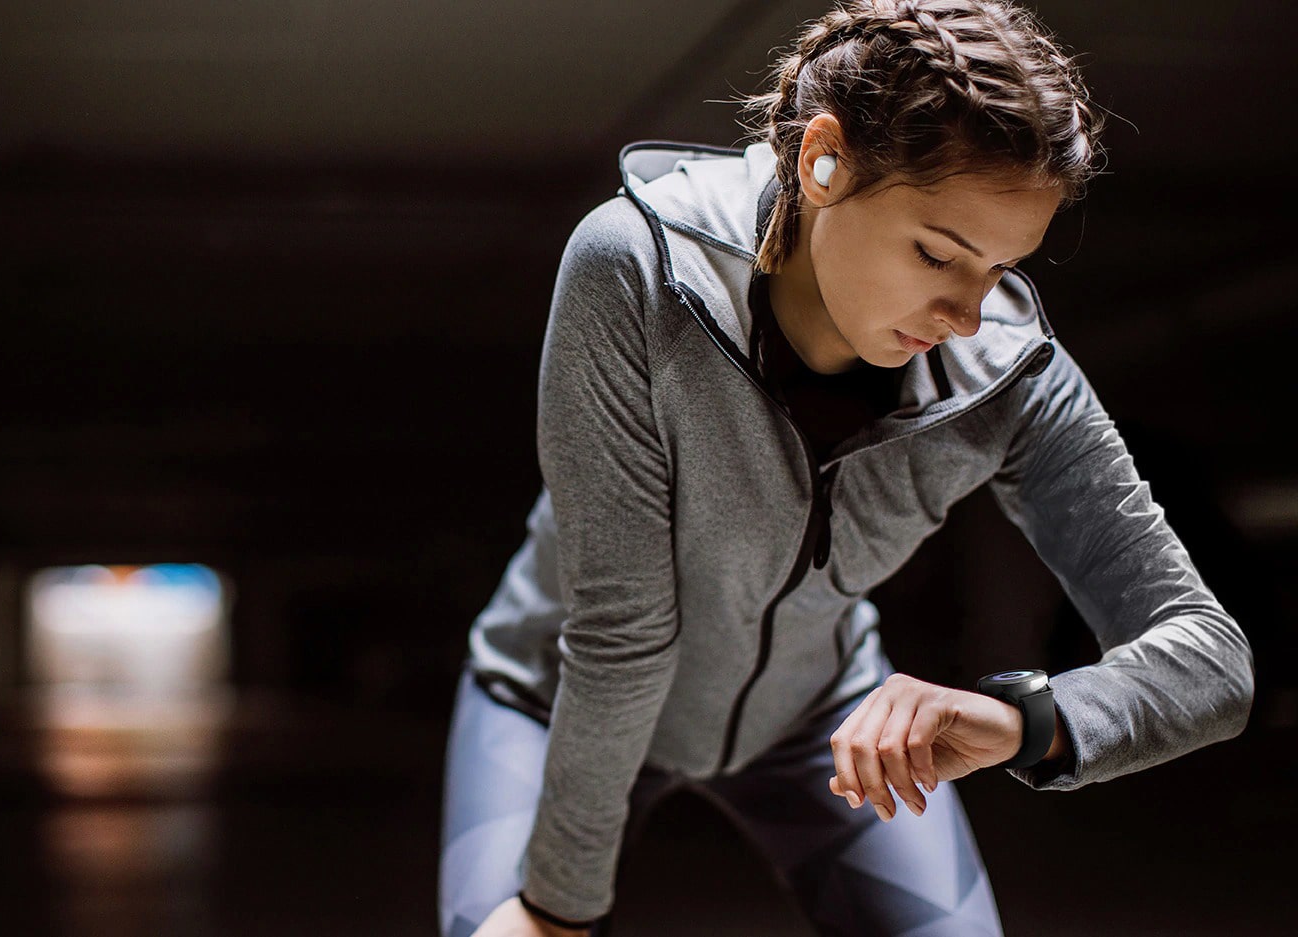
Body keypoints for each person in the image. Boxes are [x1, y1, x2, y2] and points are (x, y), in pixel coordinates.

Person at [438, 1, 1256, 935]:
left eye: (999, 269)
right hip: (554, 699)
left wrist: (1027, 716)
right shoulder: (639, 267)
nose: (966, 313)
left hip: (814, 718)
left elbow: (1210, 657)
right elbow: (625, 632)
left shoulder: (1009, 374)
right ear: (824, 160)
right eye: (936, 254)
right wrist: (558, 910)